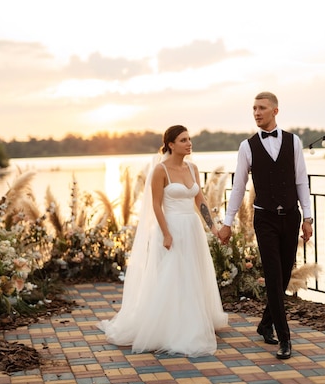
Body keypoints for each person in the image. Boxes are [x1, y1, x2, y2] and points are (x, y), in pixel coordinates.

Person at [97, 125, 228, 356]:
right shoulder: (160, 170)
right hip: (172, 227)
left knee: (192, 273)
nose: (189, 143)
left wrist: (214, 228)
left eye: (189, 139)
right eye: (183, 140)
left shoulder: (193, 168)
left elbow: (201, 201)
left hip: (192, 228)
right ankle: (171, 326)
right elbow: (156, 205)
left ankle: (194, 318)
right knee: (173, 275)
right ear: (170, 144)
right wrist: (166, 233)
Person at [218, 91, 313, 360]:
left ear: (275, 111)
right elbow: (238, 188)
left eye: (262, 108)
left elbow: (301, 181)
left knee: (283, 276)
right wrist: (227, 223)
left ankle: (264, 324)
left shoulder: (294, 142)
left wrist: (307, 217)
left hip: (291, 217)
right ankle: (285, 338)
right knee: (273, 276)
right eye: (254, 109)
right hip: (265, 218)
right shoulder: (246, 146)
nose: (257, 113)